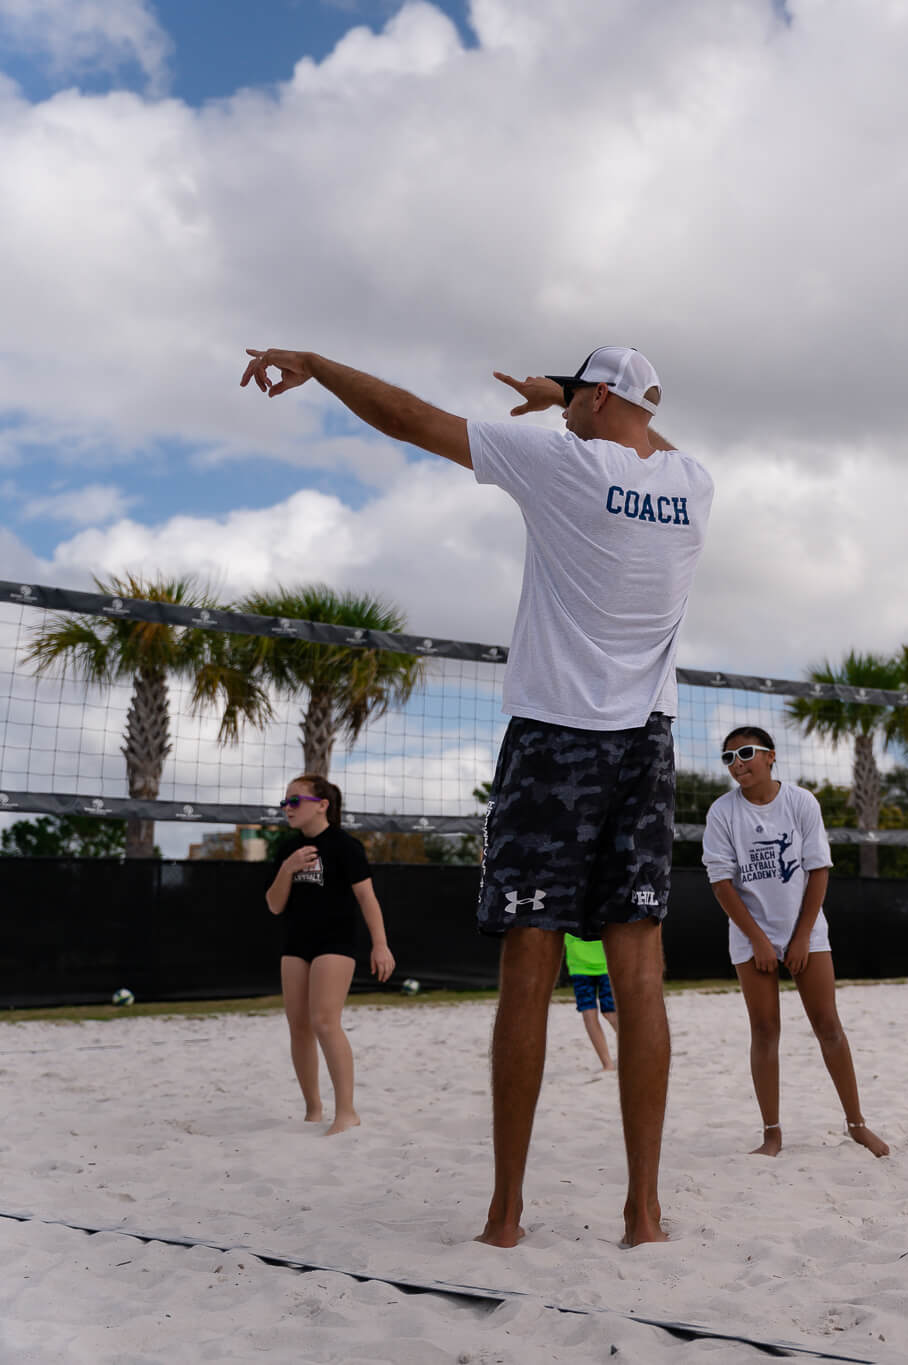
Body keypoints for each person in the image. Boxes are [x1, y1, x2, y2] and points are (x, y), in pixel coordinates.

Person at [241, 344, 711, 1248]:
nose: (562, 405)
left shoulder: (562, 459)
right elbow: (647, 432)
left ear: (600, 394)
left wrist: (319, 365)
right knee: (639, 975)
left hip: (554, 738)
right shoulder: (694, 482)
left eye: (577, 390)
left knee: (528, 972)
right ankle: (643, 1215)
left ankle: (506, 1216)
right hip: (647, 746)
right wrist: (582, 396)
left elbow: (412, 419)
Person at [703, 726, 889, 1159]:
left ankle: (857, 1125)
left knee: (828, 1026)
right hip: (752, 935)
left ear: (770, 756)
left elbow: (818, 869)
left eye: (745, 753)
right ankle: (772, 1133)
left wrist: (801, 936)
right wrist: (760, 941)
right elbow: (721, 883)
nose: (737, 763)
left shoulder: (802, 801)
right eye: (728, 758)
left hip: (805, 931)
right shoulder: (722, 812)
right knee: (765, 1031)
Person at [264, 775, 394, 1136]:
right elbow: (275, 905)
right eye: (285, 801)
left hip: (335, 943)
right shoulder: (285, 850)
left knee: (324, 1021)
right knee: (298, 1026)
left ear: (321, 805)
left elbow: (367, 899)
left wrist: (380, 945)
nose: (286, 807)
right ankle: (313, 1110)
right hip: (296, 944)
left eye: (295, 801)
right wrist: (288, 868)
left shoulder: (345, 847)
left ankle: (347, 1112)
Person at [564, 934, 618, 1072]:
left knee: (610, 1013)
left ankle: (632, 1051)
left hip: (606, 964)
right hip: (579, 967)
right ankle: (607, 1064)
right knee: (589, 1015)